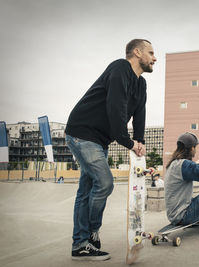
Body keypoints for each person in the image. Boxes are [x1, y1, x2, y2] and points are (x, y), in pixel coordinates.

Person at [65, 39, 157, 261]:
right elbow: (116, 107)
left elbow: (140, 114)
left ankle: (81, 244)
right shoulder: (119, 68)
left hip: (99, 140)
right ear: (137, 52)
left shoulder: (141, 84)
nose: (155, 58)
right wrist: (127, 142)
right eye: (151, 53)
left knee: (86, 190)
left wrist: (140, 140)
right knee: (105, 183)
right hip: (82, 133)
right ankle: (90, 234)